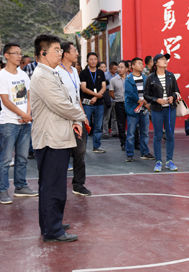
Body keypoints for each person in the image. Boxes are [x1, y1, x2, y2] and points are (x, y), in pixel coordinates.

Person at [29, 34, 86, 243]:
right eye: (56, 50)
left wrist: (75, 120)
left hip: (57, 135)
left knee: (52, 184)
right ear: (43, 53)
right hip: (51, 139)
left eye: (60, 50)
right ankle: (52, 230)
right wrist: (81, 116)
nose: (60, 53)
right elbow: (61, 104)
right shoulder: (43, 76)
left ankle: (50, 224)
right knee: (53, 186)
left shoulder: (51, 73)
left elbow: (66, 100)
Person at [0, 43, 37, 204]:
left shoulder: (23, 74)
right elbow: (5, 101)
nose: (20, 56)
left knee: (22, 157)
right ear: (6, 55)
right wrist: (23, 114)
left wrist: (28, 114)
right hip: (9, 123)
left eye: (20, 53)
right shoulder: (2, 76)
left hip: (25, 122)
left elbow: (28, 95)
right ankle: (2, 190)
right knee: (6, 159)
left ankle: (20, 186)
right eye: (16, 53)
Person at [56, 42, 91, 197]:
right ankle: (58, 185)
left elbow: (77, 97)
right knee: (62, 153)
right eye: (74, 51)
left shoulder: (75, 71)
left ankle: (78, 184)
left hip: (77, 117)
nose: (77, 53)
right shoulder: (56, 72)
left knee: (80, 152)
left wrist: (83, 115)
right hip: (64, 118)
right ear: (65, 53)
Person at [144, 53, 180, 172]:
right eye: (162, 59)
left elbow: (177, 91)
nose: (165, 61)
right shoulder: (151, 77)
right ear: (156, 63)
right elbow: (146, 95)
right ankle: (158, 161)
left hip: (170, 109)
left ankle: (169, 161)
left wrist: (173, 97)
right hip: (157, 110)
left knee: (170, 135)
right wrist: (156, 100)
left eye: (166, 59)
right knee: (157, 136)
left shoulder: (171, 76)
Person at [124, 58, 154, 162]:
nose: (142, 65)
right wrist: (142, 102)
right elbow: (130, 94)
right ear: (133, 66)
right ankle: (129, 154)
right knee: (131, 134)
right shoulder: (128, 79)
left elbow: (149, 92)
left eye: (142, 64)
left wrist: (147, 102)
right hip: (133, 109)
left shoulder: (146, 78)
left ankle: (145, 152)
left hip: (144, 110)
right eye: (139, 63)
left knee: (145, 133)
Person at [80, 52, 108, 153]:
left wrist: (96, 97)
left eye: (95, 59)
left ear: (97, 60)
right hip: (87, 103)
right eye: (91, 59)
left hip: (99, 103)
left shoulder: (100, 73)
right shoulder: (83, 73)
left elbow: (104, 87)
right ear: (87, 61)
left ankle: (97, 146)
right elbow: (83, 88)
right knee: (85, 125)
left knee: (98, 126)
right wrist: (96, 95)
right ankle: (83, 147)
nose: (93, 61)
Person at [110, 60, 129, 151]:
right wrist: (118, 98)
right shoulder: (113, 80)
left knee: (133, 123)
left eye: (122, 67)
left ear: (127, 69)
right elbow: (111, 93)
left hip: (130, 104)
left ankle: (135, 142)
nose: (119, 69)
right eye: (118, 67)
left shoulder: (130, 78)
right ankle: (123, 143)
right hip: (119, 103)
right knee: (121, 124)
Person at [98, 61, 113, 139]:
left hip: (108, 97)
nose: (103, 68)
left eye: (104, 67)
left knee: (107, 115)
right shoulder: (97, 75)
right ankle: (101, 131)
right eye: (102, 67)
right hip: (99, 97)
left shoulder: (107, 75)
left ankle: (107, 132)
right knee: (100, 116)